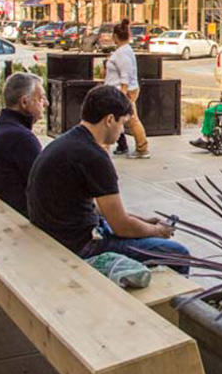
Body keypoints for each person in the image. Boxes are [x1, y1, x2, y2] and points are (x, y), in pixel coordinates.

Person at [27, 85, 189, 273]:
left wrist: (144, 221)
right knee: (178, 253)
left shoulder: (67, 141)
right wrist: (158, 231)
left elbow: (101, 210)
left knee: (137, 233)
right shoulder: (94, 157)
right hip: (80, 246)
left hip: (58, 234)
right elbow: (121, 226)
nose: (122, 131)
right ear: (110, 120)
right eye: (123, 124)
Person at [0, 73, 46, 216]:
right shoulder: (20, 138)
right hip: (17, 217)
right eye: (41, 98)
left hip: (0, 211)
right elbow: (44, 187)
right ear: (24, 102)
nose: (46, 104)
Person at [105, 19, 150, 159]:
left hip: (122, 91)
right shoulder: (125, 51)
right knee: (124, 119)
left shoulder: (122, 54)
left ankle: (141, 148)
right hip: (123, 90)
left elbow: (125, 75)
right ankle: (123, 144)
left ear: (115, 37)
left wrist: (122, 95)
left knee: (131, 119)